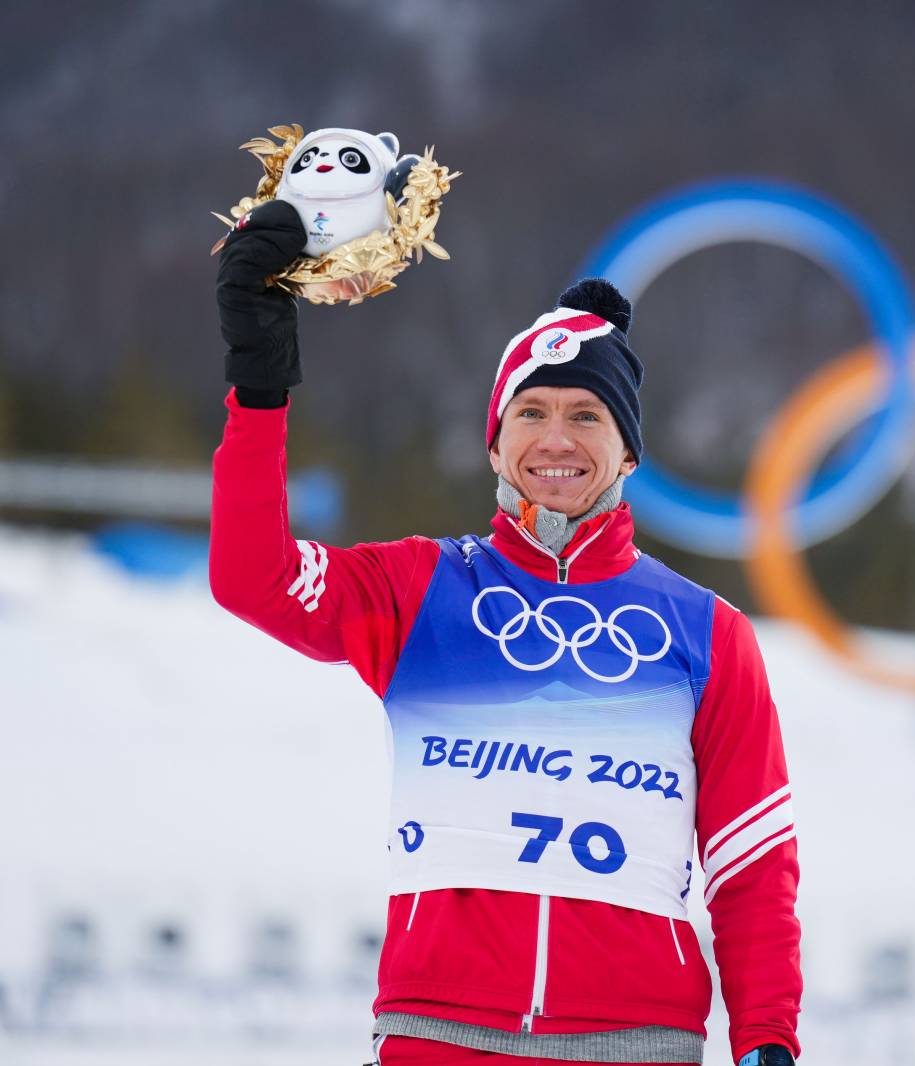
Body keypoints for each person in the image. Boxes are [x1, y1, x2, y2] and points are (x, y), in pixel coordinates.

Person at [210, 199, 802, 1066]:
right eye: (530, 413)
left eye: (587, 416)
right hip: (438, 1036)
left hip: (637, 1043)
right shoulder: (419, 591)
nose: (555, 439)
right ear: (494, 444)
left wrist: (767, 1039)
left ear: (629, 451)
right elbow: (252, 578)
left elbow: (753, 866)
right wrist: (258, 387)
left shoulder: (708, 633)